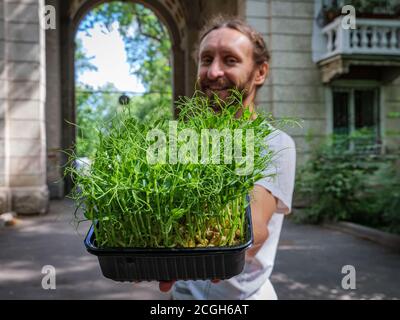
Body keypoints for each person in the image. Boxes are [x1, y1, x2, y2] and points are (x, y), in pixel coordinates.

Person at [159, 15, 296, 300]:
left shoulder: (275, 143)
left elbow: (253, 233)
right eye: (206, 59)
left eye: (230, 60)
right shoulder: (182, 139)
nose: (213, 72)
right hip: (182, 294)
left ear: (260, 72)